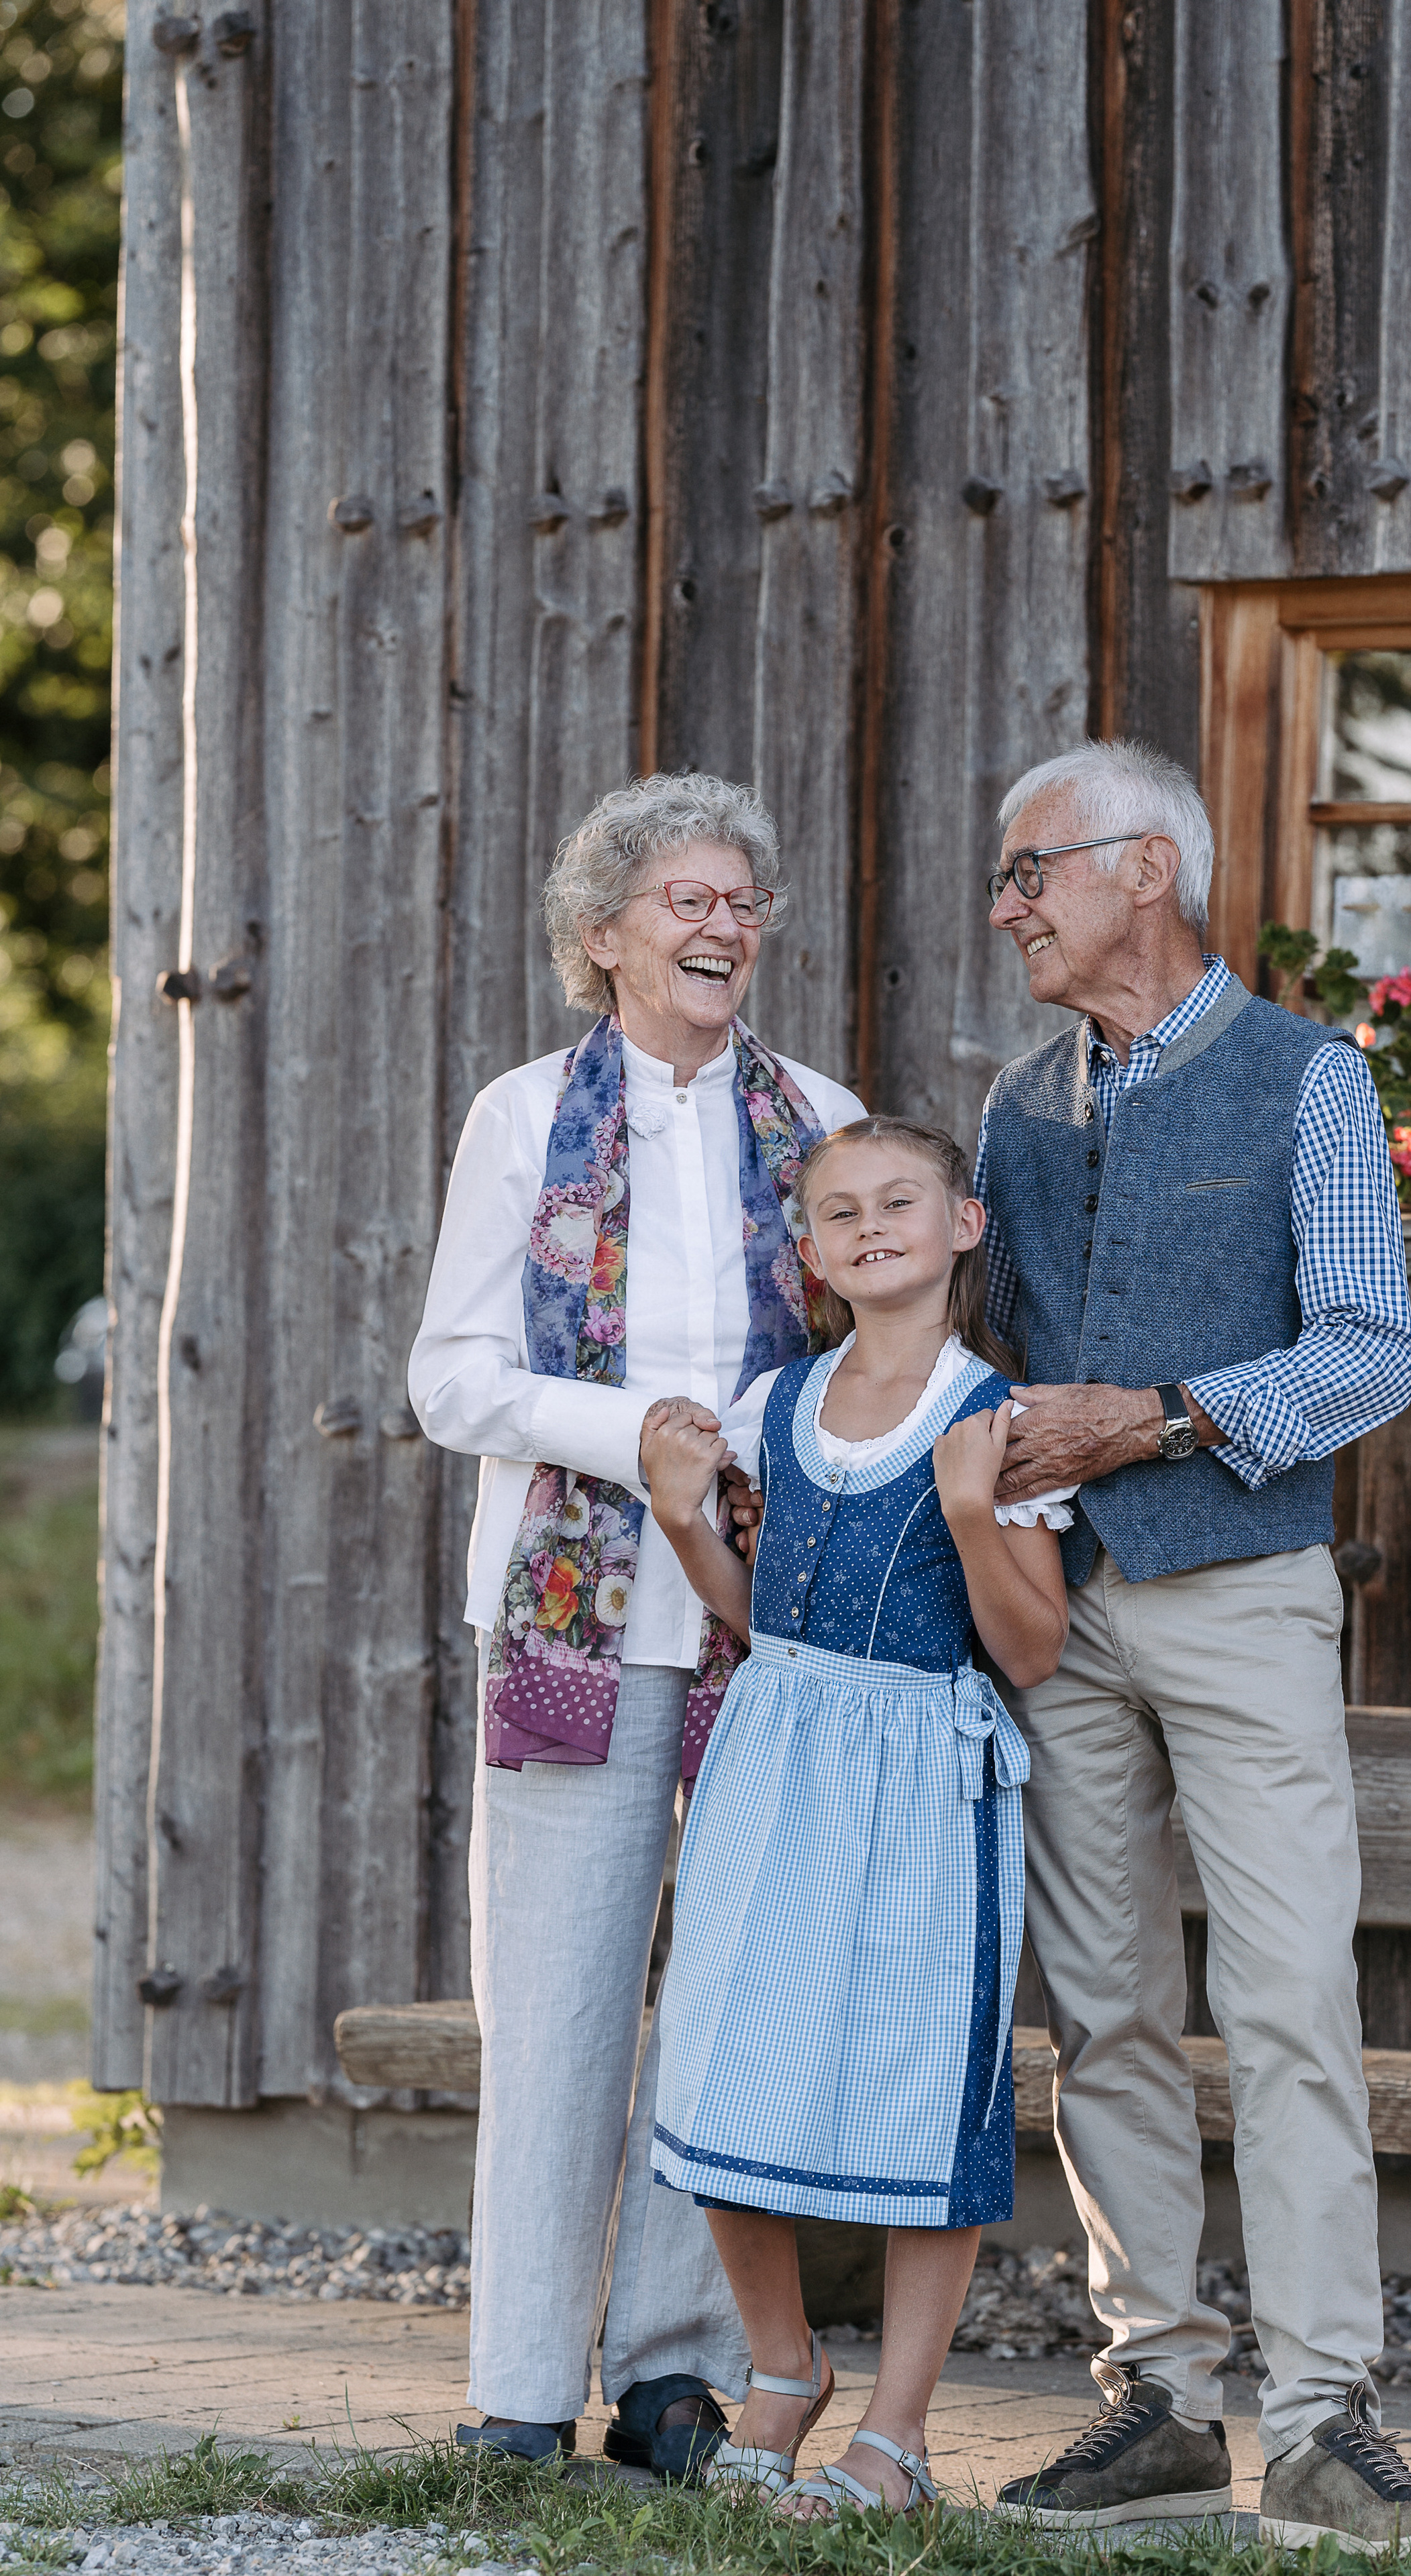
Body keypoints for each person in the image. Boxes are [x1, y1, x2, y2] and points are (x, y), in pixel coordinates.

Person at [974, 740, 1411, 2553]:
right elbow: (998, 1360)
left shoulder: (1307, 1078)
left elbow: (1370, 1351)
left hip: (1245, 1589)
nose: (1008, 904)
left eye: (1032, 869)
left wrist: (1162, 1418)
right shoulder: (1018, 1108)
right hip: (1066, 1610)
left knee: (1286, 2002)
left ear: (1148, 869)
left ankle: (1332, 2417)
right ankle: (1161, 2401)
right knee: (1099, 2010)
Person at [408, 772, 864, 2474]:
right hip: (572, 1613)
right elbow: (450, 1378)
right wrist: (642, 1441)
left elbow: (857, 1356)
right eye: (686, 897)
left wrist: (755, 1450)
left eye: (741, 897)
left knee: (722, 1999)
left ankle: (672, 2377)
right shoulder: (523, 1118)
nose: (724, 923)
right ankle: (522, 2385)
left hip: (767, 1619)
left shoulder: (820, 1113)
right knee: (557, 2000)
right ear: (599, 938)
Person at [637, 1118, 1072, 2518]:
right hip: (777, 1752)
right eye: (839, 1212)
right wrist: (680, 1518)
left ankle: (896, 2431)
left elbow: (1033, 1652)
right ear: (811, 1253)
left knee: (915, 2076)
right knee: (716, 2052)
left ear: (962, 1226)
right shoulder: (777, 1402)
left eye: (901, 1201)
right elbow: (761, 1616)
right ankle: (781, 2364)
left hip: (921, 1778)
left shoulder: (993, 1417)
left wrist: (964, 1517)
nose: (870, 1224)